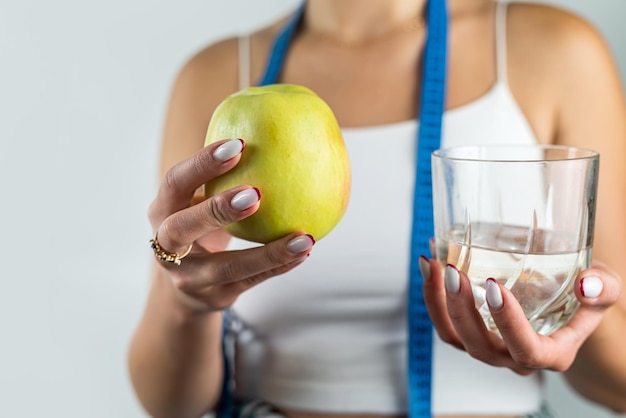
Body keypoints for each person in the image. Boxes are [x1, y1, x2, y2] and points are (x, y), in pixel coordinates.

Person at [128, 0, 626, 417]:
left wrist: (570, 331)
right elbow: (170, 406)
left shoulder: (552, 51)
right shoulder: (215, 75)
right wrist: (188, 303)